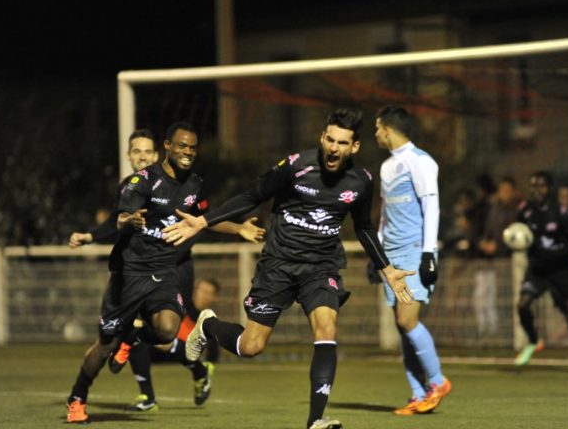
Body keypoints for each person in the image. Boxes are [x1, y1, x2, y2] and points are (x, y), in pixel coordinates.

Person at [162, 108, 415, 429]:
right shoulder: (296, 166)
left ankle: (315, 420)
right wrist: (203, 221)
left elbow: (363, 227)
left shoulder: (361, 181)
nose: (333, 148)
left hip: (321, 267)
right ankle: (208, 325)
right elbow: (252, 195)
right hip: (278, 265)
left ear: (354, 147)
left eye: (342, 143)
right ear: (322, 138)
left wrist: (387, 269)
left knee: (327, 329)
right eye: (330, 139)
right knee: (251, 346)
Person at [65, 122, 265, 424]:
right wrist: (128, 220)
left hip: (164, 270)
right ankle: (78, 397)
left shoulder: (194, 184)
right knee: (106, 344)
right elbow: (120, 218)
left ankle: (133, 338)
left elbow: (204, 219)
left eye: (192, 148)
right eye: (182, 146)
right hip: (130, 273)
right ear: (168, 146)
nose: (187, 152)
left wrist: (238, 228)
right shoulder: (142, 181)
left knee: (168, 329)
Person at [372, 105, 451, 416]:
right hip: (391, 255)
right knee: (401, 325)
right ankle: (419, 394)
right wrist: (377, 253)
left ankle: (437, 382)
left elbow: (432, 207)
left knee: (407, 320)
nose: (375, 134)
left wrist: (429, 253)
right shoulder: (387, 167)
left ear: (387, 129)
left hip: (413, 251)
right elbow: (385, 214)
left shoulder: (420, 161)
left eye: (377, 128)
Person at [514, 171, 568, 372]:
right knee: (522, 305)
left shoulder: (561, 212)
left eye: (542, 186)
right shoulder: (525, 210)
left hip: (561, 271)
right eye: (534, 186)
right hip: (537, 270)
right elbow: (517, 232)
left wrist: (557, 253)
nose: (538, 190)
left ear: (550, 188)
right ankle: (534, 340)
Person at [125, 278, 223, 411]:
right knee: (137, 337)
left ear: (214, 298)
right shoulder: (180, 306)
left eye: (208, 293)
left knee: (170, 342)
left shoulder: (209, 322)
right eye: (202, 291)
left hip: (182, 354)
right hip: (160, 349)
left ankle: (200, 371)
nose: (204, 296)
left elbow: (213, 355)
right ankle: (148, 398)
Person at [476, 177, 521, 337]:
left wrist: (499, 246)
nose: (505, 194)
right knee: (496, 298)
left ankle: (514, 333)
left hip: (512, 261)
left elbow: (518, 236)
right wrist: (484, 243)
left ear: (514, 192)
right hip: (495, 262)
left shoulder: (518, 210)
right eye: (502, 190)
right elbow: (487, 231)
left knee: (513, 297)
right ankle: (499, 333)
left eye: (508, 191)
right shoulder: (494, 210)